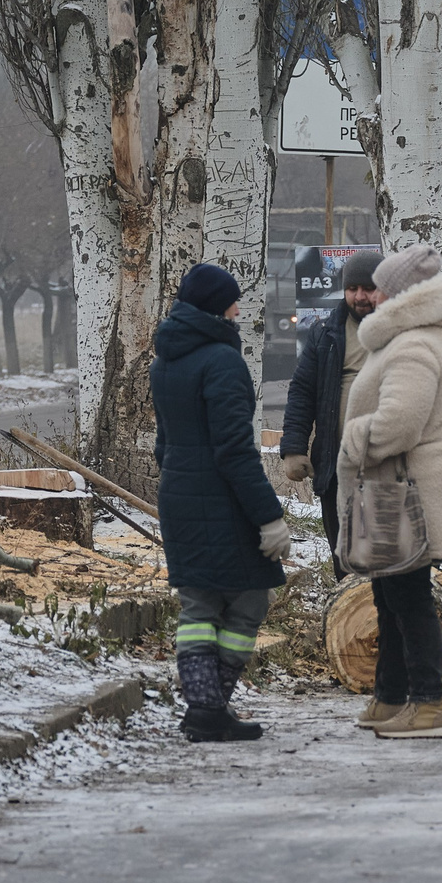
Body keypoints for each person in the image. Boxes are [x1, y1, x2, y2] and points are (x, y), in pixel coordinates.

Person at [150, 263, 292, 743]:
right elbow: (234, 449)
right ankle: (210, 708)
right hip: (221, 498)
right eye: (232, 301)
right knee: (249, 601)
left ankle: (205, 709)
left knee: (199, 605)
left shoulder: (165, 359)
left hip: (179, 494)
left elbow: (163, 443)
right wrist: (269, 515)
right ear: (216, 306)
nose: (238, 310)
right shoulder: (221, 361)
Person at [340, 245, 442, 740]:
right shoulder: (420, 337)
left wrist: (352, 440)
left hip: (403, 489)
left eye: (379, 288)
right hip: (397, 488)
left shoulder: (414, 344)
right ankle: (392, 695)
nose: (371, 297)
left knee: (408, 598)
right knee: (390, 594)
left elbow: (397, 425)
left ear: (399, 294)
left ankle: (429, 703)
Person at [279, 250, 381, 555]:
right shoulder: (324, 335)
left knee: (384, 557)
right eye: (353, 289)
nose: (360, 296)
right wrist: (294, 449)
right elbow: (302, 392)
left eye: (368, 288)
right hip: (336, 465)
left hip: (387, 468)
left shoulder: (401, 333)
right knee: (343, 554)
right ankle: (350, 603)